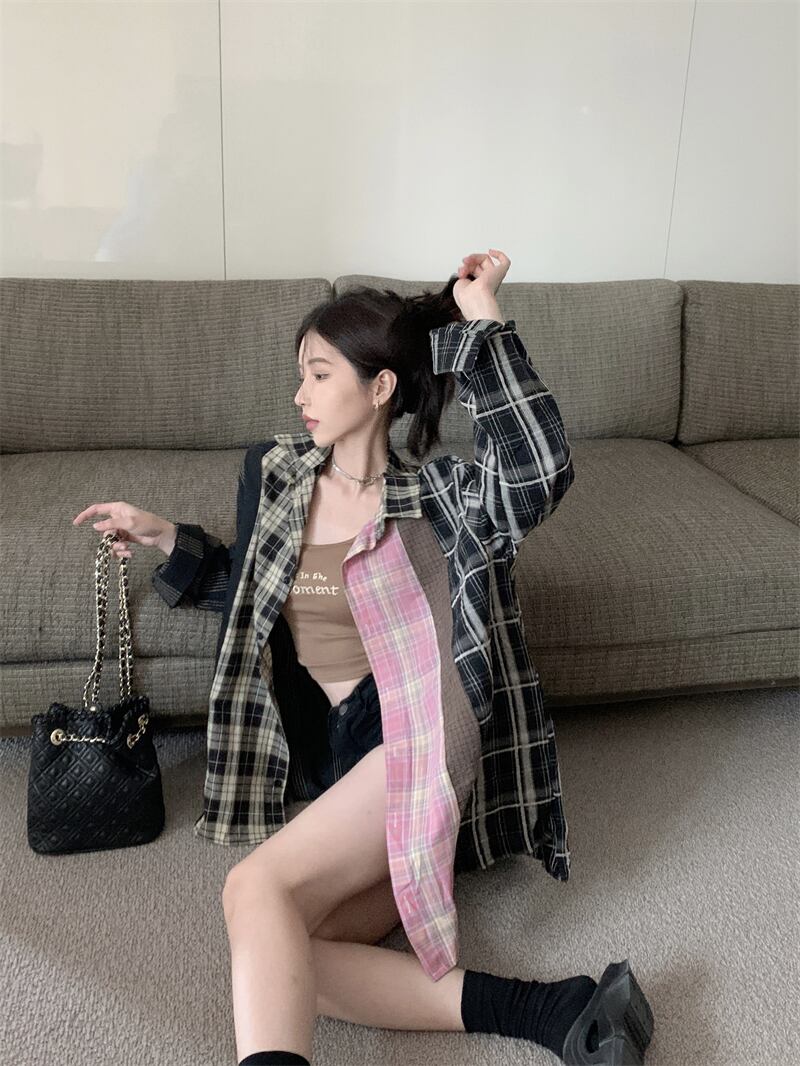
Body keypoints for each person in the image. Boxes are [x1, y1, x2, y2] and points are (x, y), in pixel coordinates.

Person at [72, 250, 654, 1066]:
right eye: (300, 377)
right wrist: (165, 535)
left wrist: (481, 317)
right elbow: (255, 591)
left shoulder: (441, 500)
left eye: (318, 375)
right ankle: (554, 1011)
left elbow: (538, 472)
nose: (299, 395)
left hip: (412, 743)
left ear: (380, 388)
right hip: (330, 762)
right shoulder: (278, 476)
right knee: (283, 951)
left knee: (252, 890)